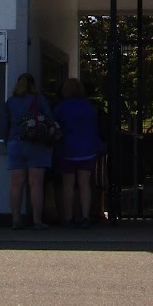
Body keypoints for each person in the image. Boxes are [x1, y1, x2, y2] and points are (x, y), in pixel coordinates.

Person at [3, 72, 54, 230]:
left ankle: (16, 220)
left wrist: (8, 143)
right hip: (36, 144)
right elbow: (49, 119)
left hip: (15, 144)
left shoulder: (10, 102)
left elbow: (5, 125)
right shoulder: (38, 99)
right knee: (36, 184)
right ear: (33, 85)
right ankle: (37, 221)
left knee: (16, 185)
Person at [53, 77, 103, 227]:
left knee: (68, 185)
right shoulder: (90, 108)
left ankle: (68, 218)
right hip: (88, 149)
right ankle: (85, 216)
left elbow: (55, 127)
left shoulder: (60, 108)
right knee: (84, 184)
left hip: (66, 150)